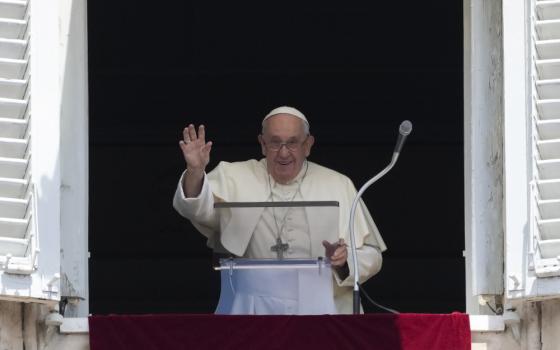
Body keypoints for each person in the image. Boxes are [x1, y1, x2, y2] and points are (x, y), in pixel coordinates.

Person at [173, 106, 387, 314]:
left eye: (292, 143)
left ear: (308, 145)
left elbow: (372, 255)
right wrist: (195, 171)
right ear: (263, 144)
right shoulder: (234, 176)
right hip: (253, 307)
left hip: (323, 305)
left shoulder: (337, 184)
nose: (284, 153)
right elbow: (195, 208)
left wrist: (344, 260)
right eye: (275, 143)